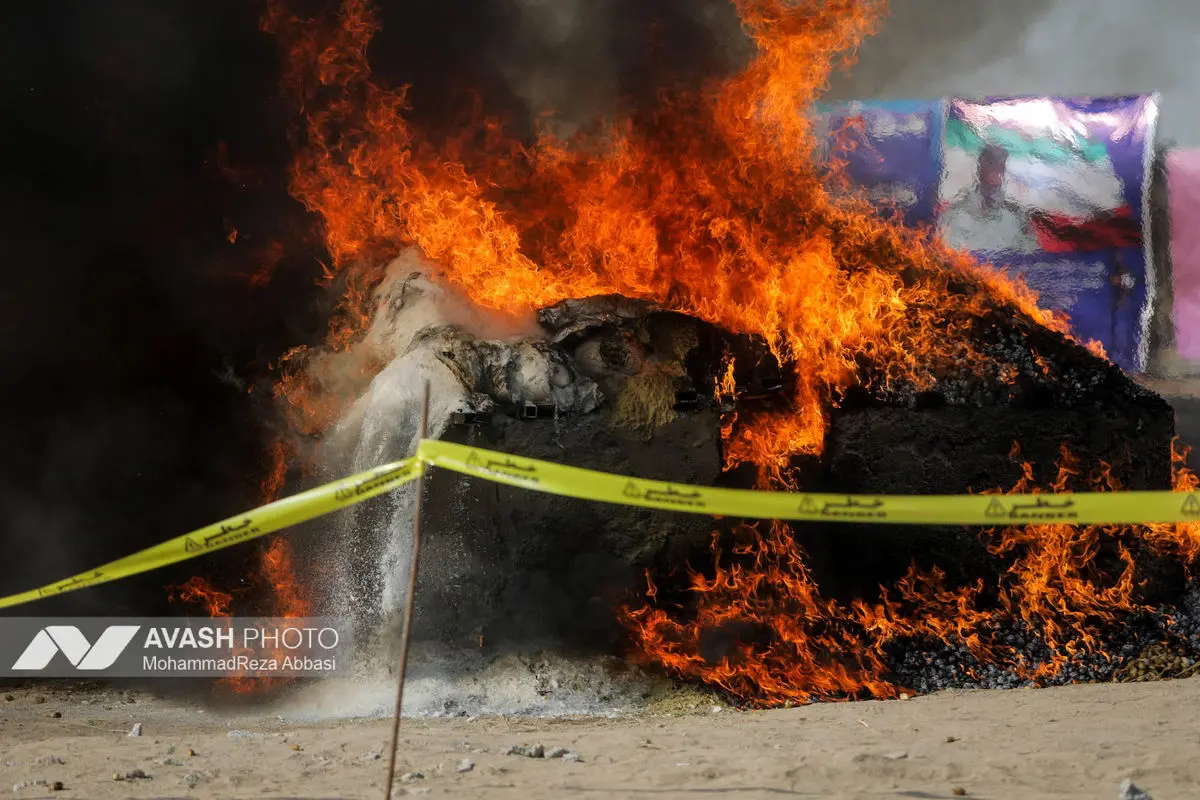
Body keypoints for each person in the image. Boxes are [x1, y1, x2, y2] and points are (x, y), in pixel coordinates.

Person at [938, 143, 1040, 254]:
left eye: (1000, 169)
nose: (996, 177)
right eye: (991, 166)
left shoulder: (1016, 217)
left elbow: (1031, 254)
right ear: (980, 169)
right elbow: (950, 257)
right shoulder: (957, 216)